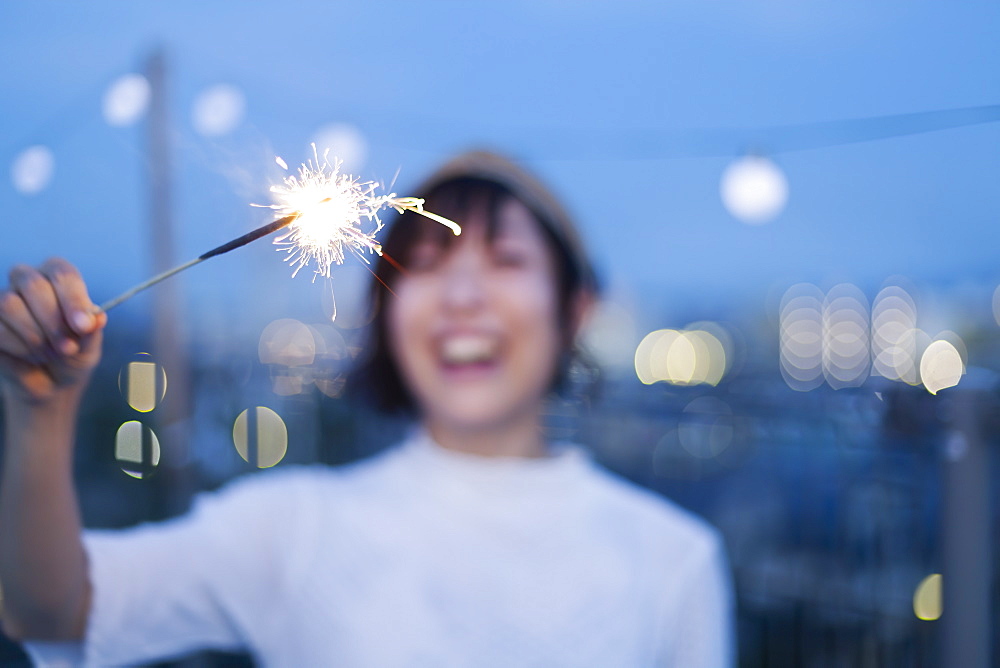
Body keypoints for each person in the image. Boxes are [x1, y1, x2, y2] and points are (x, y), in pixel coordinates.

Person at [0, 151, 734, 666]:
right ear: (384, 313)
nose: (463, 296)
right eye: (426, 265)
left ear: (575, 308)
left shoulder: (672, 562)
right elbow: (50, 610)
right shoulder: (293, 529)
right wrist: (42, 410)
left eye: (505, 261)